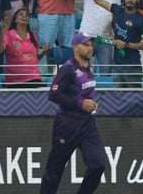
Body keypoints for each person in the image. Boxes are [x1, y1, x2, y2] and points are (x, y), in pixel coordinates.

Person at [40, 32, 106, 194]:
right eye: (86, 45)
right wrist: (80, 103)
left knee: (98, 165)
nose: (90, 48)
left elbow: (83, 92)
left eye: (91, 45)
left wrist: (90, 104)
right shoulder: (67, 68)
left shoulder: (89, 67)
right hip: (67, 124)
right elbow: (54, 94)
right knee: (54, 170)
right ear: (76, 48)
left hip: (87, 124)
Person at [85, 0, 143, 87]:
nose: (130, 0)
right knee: (117, 98)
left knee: (134, 97)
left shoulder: (141, 20)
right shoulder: (118, 10)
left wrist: (126, 45)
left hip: (132, 65)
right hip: (116, 64)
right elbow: (98, 0)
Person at [74, 0, 121, 75]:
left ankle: (104, 93)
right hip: (86, 36)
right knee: (83, 71)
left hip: (106, 39)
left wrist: (116, 34)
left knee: (106, 72)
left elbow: (115, 18)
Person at [0, 8, 46, 88]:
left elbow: (34, 57)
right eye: (21, 14)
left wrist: (43, 53)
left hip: (33, 77)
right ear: (15, 20)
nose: (25, 16)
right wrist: (2, 32)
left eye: (27, 15)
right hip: (14, 80)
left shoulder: (34, 36)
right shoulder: (8, 35)